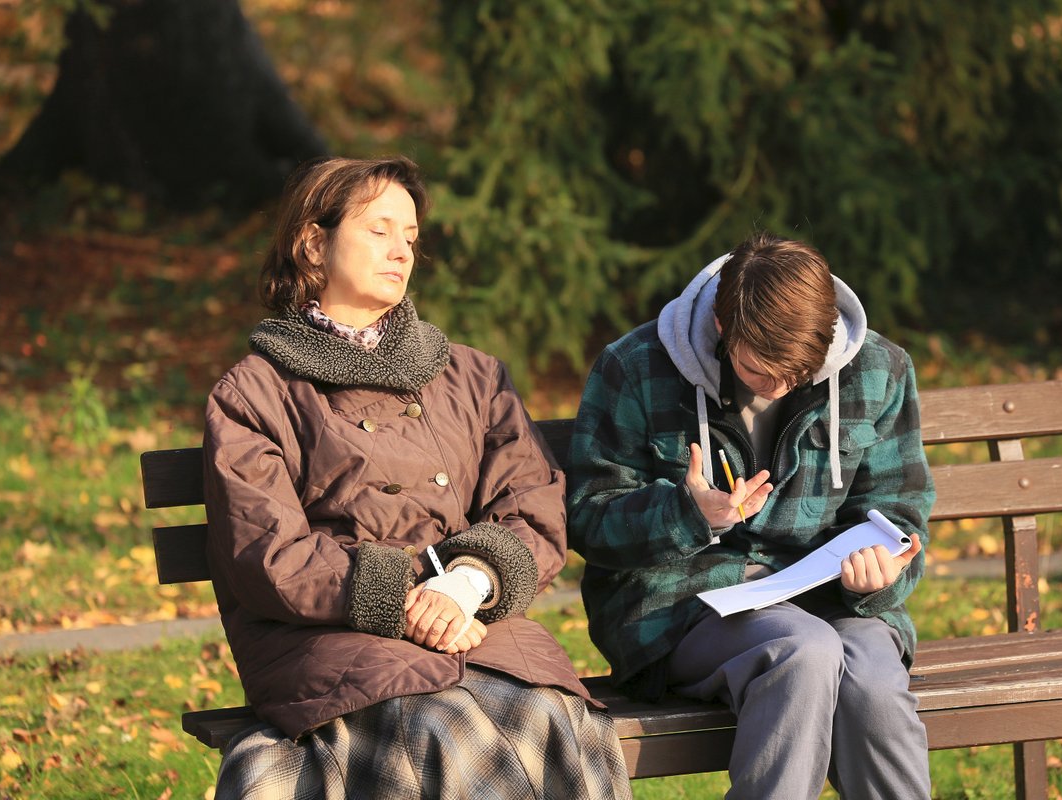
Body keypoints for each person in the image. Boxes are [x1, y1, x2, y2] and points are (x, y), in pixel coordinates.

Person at [203, 156, 631, 799]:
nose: (401, 251)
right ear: (312, 244)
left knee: (547, 714)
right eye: (379, 231)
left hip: (469, 622)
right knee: (444, 726)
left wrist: (465, 584)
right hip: (330, 636)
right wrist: (403, 600)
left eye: (409, 237)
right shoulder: (255, 393)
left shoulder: (472, 375)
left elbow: (533, 500)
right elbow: (268, 552)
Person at [567, 231, 935, 799]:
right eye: (762, 371)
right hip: (678, 603)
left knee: (875, 686)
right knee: (802, 653)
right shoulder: (636, 367)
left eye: (802, 373)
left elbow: (899, 509)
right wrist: (687, 515)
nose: (783, 386)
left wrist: (882, 572)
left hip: (829, 593)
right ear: (721, 325)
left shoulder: (878, 369)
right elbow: (590, 519)